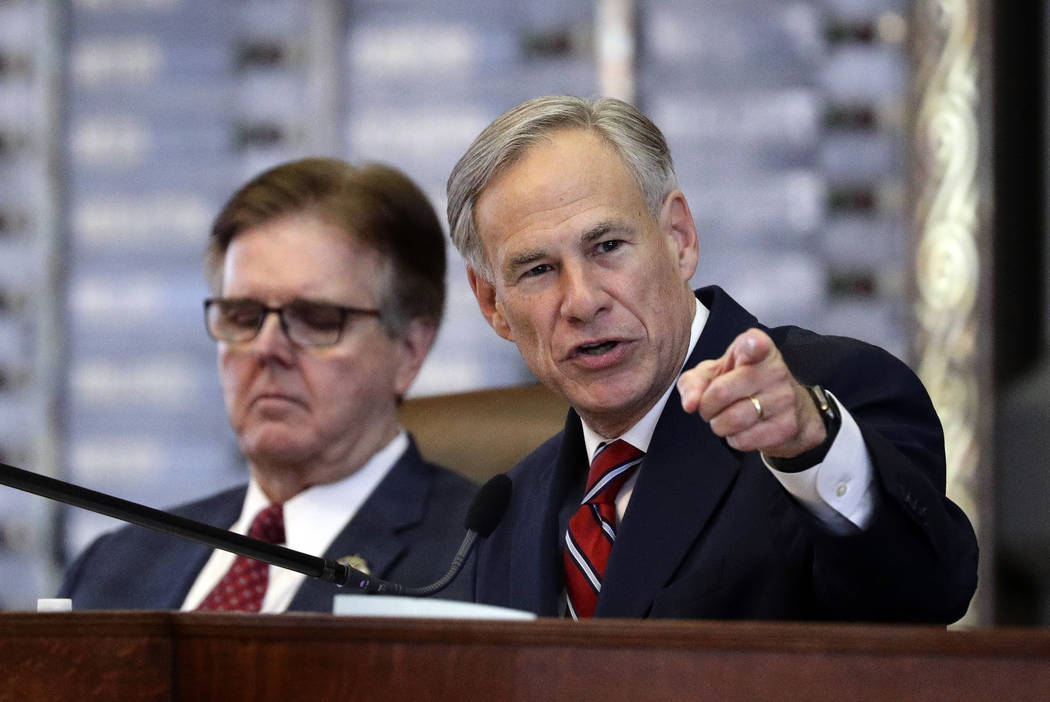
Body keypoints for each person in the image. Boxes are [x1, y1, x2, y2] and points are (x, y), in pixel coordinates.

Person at [446, 96, 978, 622]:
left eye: (607, 246)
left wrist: (811, 449)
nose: (583, 301)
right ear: (493, 304)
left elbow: (924, 597)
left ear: (679, 237)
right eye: (538, 270)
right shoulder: (505, 514)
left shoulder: (836, 401)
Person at [60, 158, 478, 611]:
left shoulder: (479, 561)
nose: (266, 348)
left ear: (410, 350)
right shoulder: (113, 567)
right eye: (243, 316)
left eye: (316, 320)